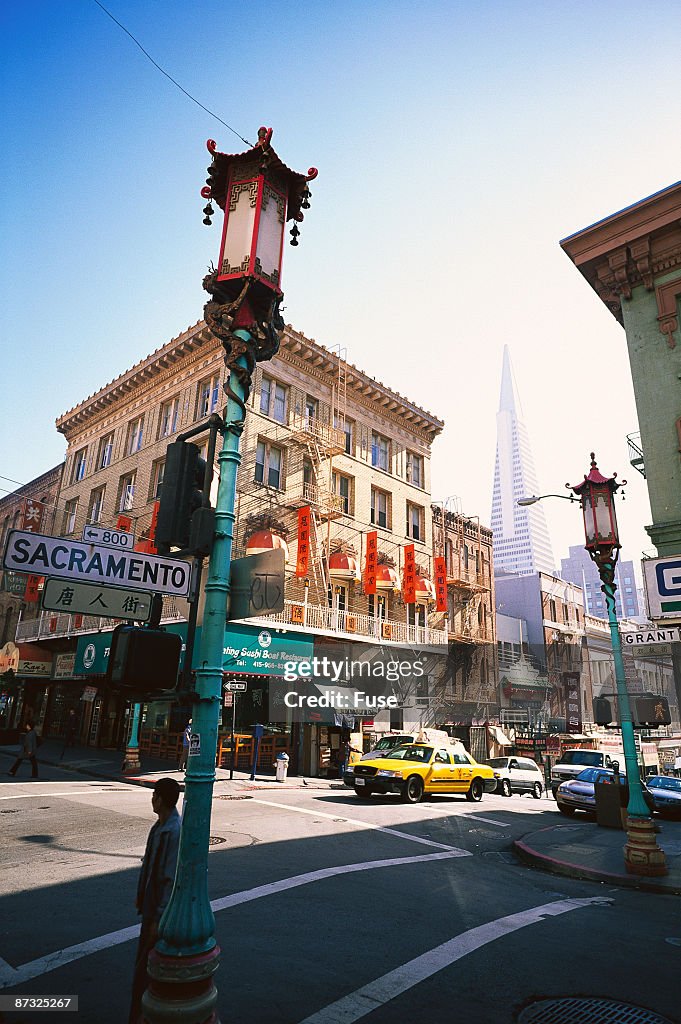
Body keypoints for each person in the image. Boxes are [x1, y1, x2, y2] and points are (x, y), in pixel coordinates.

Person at [128, 777, 182, 1024]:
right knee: (144, 967)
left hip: (157, 916)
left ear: (161, 799)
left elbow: (169, 878)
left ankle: (144, 1014)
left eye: (154, 795)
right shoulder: (158, 827)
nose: (152, 799)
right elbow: (150, 868)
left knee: (148, 970)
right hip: (149, 909)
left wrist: (158, 918)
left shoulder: (173, 831)